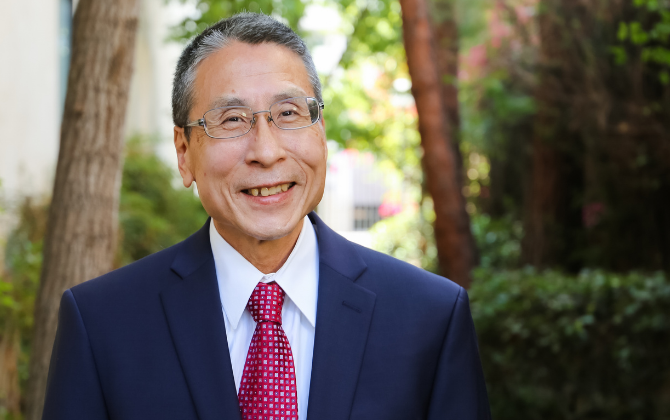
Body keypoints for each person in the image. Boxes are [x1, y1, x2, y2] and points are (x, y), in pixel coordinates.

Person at [42, 12, 490, 420]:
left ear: (322, 133)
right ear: (184, 153)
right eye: (232, 120)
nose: (266, 151)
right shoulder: (102, 324)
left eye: (289, 113)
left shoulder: (430, 318)